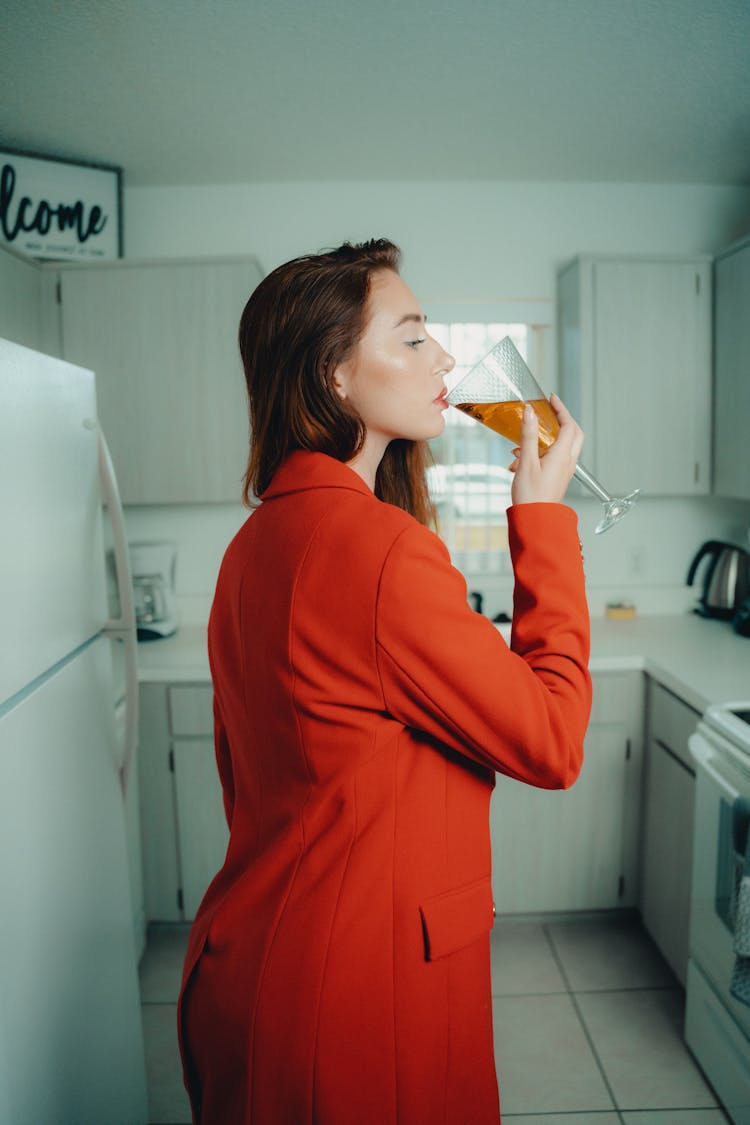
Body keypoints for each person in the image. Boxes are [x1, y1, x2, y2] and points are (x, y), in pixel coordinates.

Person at [178, 238, 592, 1124]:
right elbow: (553, 741)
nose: (443, 356)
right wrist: (545, 519)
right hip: (359, 998)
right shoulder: (381, 552)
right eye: (411, 337)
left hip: (260, 965)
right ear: (332, 372)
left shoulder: (255, 544)